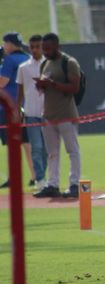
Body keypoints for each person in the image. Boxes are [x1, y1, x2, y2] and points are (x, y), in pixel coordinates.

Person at [33, 33, 81, 198]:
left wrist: (51, 84)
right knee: (52, 152)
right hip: (49, 114)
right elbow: (44, 89)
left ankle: (74, 184)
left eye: (48, 48)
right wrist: (41, 85)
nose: (45, 52)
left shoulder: (69, 62)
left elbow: (74, 88)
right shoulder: (45, 63)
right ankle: (52, 184)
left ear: (57, 46)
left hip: (66, 114)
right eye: (43, 48)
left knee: (72, 150)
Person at [0, 31, 35, 188]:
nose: (4, 45)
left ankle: (13, 177)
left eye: (5, 42)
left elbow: (2, 83)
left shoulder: (10, 60)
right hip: (25, 105)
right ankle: (35, 175)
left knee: (11, 143)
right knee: (27, 142)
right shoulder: (27, 58)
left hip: (7, 107)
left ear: (10, 44)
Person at [16, 34, 47, 191]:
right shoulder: (23, 67)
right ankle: (40, 179)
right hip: (31, 112)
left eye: (38, 47)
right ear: (29, 48)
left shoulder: (48, 65)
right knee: (36, 147)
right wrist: (17, 109)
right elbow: (20, 91)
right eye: (32, 47)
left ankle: (46, 179)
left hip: (48, 112)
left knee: (47, 148)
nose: (35, 50)